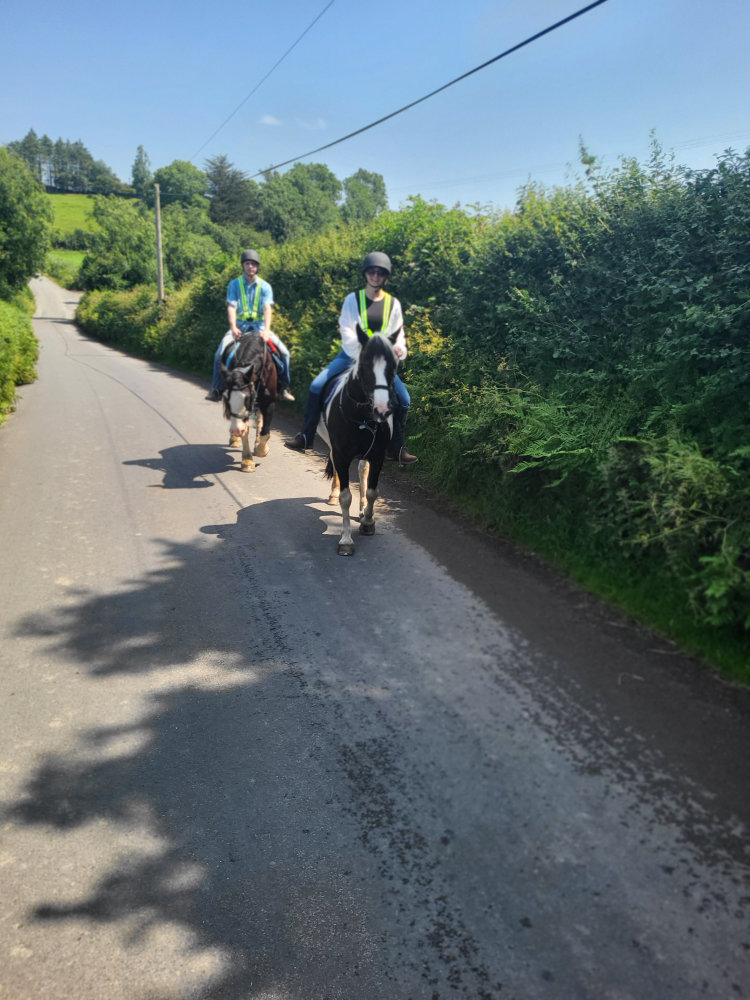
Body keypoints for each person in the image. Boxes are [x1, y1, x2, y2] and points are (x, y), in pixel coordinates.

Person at [284, 252, 417, 464]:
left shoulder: (393, 304)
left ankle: (396, 447)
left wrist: (400, 348)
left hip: (379, 364)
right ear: (366, 274)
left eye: (380, 273)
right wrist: (364, 349)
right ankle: (306, 436)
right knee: (316, 386)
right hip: (351, 356)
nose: (375, 276)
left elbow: (398, 334)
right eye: (372, 272)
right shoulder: (352, 300)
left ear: (385, 276)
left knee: (404, 400)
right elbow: (347, 330)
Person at [206, 249, 294, 401]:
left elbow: (267, 308)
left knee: (285, 353)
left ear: (257, 266)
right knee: (219, 354)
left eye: (253, 264)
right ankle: (217, 389)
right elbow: (231, 306)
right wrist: (233, 327)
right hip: (240, 326)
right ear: (243, 265)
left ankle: (283, 387)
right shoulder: (234, 284)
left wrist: (267, 330)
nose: (250, 266)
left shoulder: (265, 286)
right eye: (247, 263)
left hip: (260, 327)